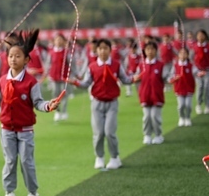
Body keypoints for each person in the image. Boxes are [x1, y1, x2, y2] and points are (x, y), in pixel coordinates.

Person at [0, 29, 60, 196]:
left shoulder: (31, 82)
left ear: (27, 60)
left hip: (25, 130)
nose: (13, 59)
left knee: (27, 162)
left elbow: (38, 103)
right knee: (10, 161)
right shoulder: (3, 80)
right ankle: (9, 194)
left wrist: (49, 106)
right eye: (11, 56)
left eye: (18, 56)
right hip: (7, 130)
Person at [69, 39, 133, 171]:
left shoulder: (116, 65)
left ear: (110, 50)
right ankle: (99, 157)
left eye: (105, 48)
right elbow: (86, 83)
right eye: (100, 48)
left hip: (112, 103)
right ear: (96, 50)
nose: (103, 51)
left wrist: (135, 78)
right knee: (98, 133)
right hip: (97, 103)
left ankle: (115, 158)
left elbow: (125, 80)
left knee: (110, 132)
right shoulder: (92, 66)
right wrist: (75, 83)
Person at [135, 40, 168, 145]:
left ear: (156, 51)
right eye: (147, 49)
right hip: (145, 95)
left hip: (157, 95)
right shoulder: (141, 65)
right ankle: (147, 135)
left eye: (152, 49)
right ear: (144, 51)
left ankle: (158, 135)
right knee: (146, 117)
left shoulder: (160, 65)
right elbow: (136, 77)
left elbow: (166, 77)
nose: (150, 51)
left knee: (155, 117)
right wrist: (135, 77)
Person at [170, 46, 201, 127]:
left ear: (187, 55)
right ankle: (181, 117)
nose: (183, 55)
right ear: (178, 55)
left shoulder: (191, 65)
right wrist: (174, 78)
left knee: (188, 105)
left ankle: (187, 118)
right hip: (179, 88)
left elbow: (196, 72)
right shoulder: (176, 65)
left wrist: (199, 74)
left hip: (189, 88)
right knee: (181, 105)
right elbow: (171, 76)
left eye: (185, 53)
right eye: (181, 53)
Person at [47, 33, 70, 122]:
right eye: (57, 40)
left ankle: (64, 111)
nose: (58, 41)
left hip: (63, 77)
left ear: (64, 41)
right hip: (54, 77)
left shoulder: (66, 52)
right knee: (55, 94)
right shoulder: (51, 52)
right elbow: (48, 64)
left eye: (60, 40)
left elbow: (71, 64)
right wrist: (48, 74)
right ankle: (57, 112)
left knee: (64, 95)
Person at [192, 29, 209, 114]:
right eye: (199, 35)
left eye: (202, 35)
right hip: (198, 70)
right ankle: (198, 104)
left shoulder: (208, 46)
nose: (200, 37)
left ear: (205, 36)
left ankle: (207, 105)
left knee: (207, 87)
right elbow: (191, 59)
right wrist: (195, 70)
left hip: (207, 70)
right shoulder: (194, 47)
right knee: (200, 87)